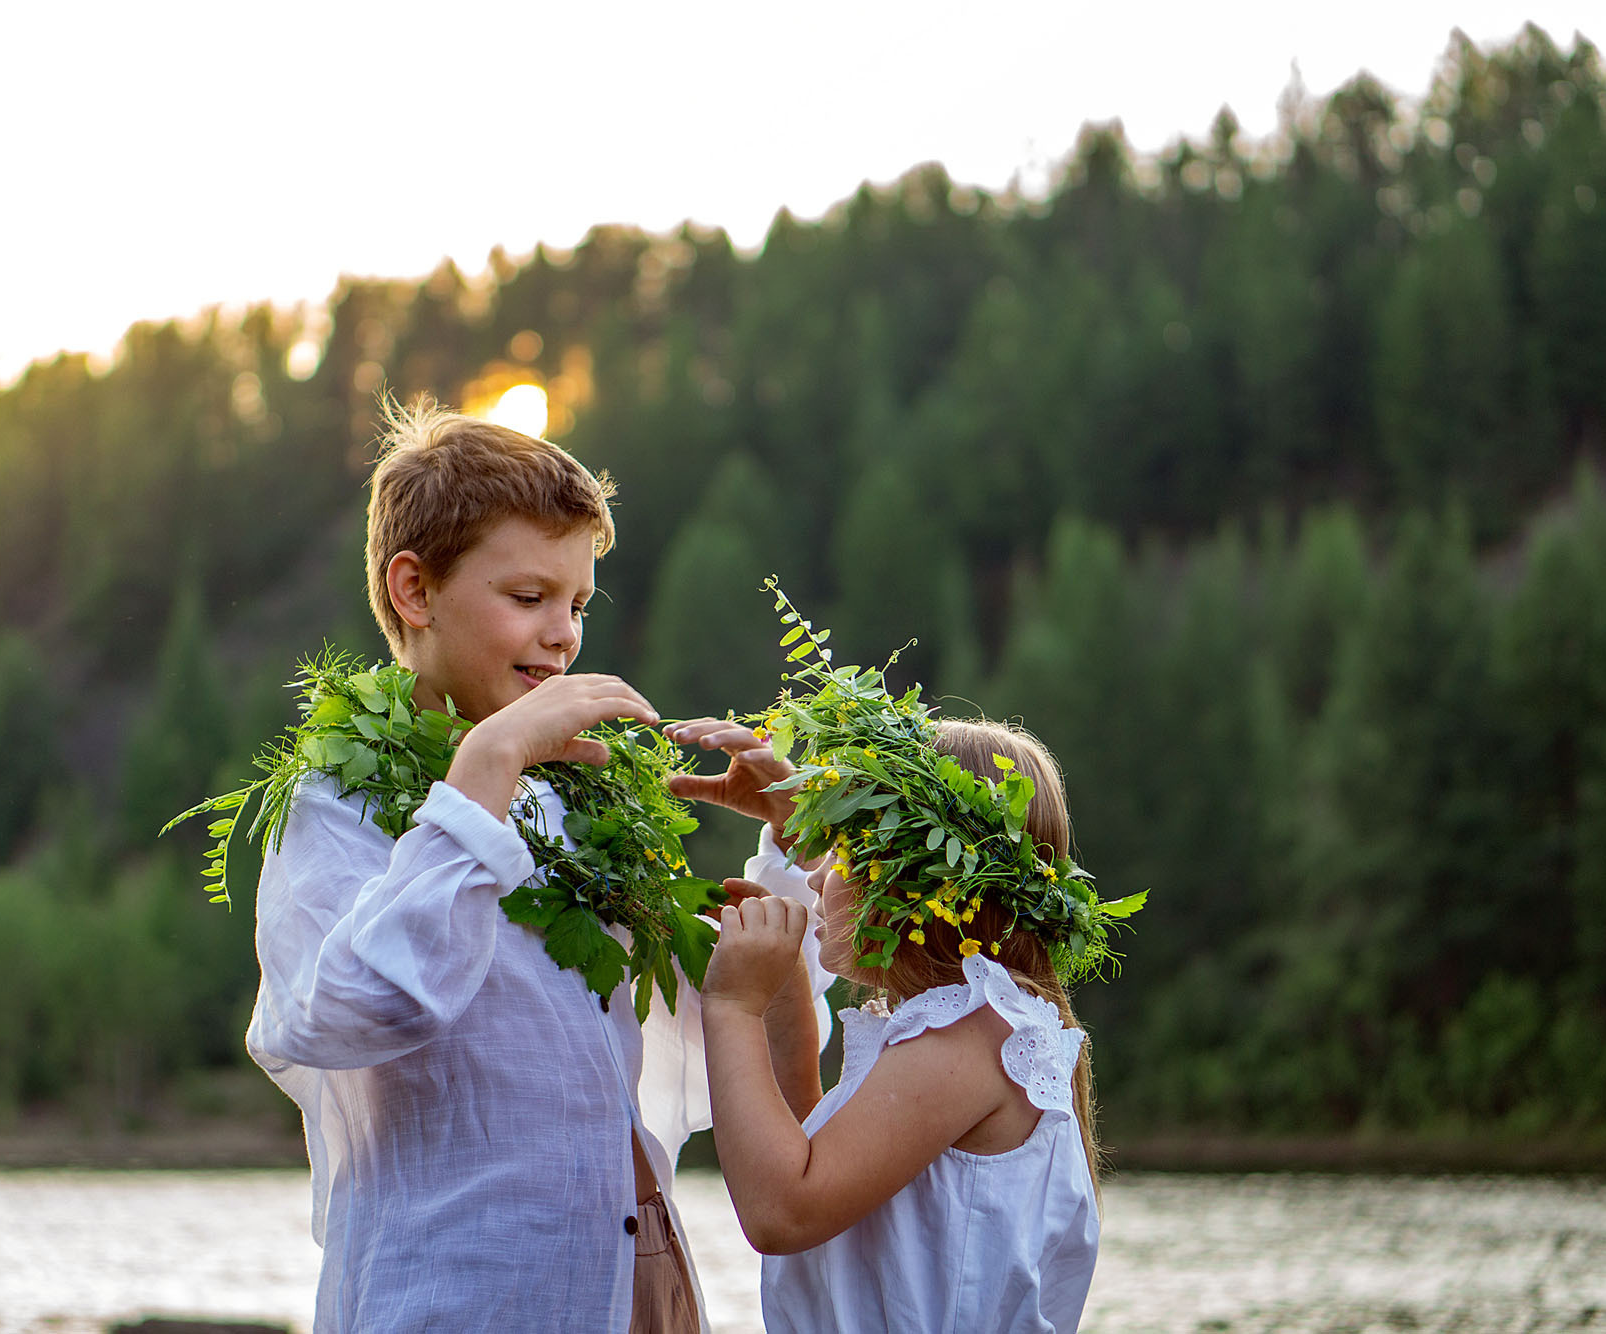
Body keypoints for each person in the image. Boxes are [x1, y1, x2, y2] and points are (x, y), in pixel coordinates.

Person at [245, 399, 824, 1333]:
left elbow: (735, 1045)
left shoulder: (577, 800)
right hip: (463, 1289)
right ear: (414, 590)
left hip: (632, 1272)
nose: (564, 635)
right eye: (529, 599)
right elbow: (353, 1011)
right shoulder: (333, 802)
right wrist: (480, 775)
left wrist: (792, 852)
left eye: (579, 603)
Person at [672, 715, 1102, 1334]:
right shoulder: (967, 1027)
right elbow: (815, 1165)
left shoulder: (968, 1037)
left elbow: (783, 1214)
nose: (817, 875)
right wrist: (785, 992)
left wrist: (732, 1006)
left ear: (914, 884)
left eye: (843, 852)